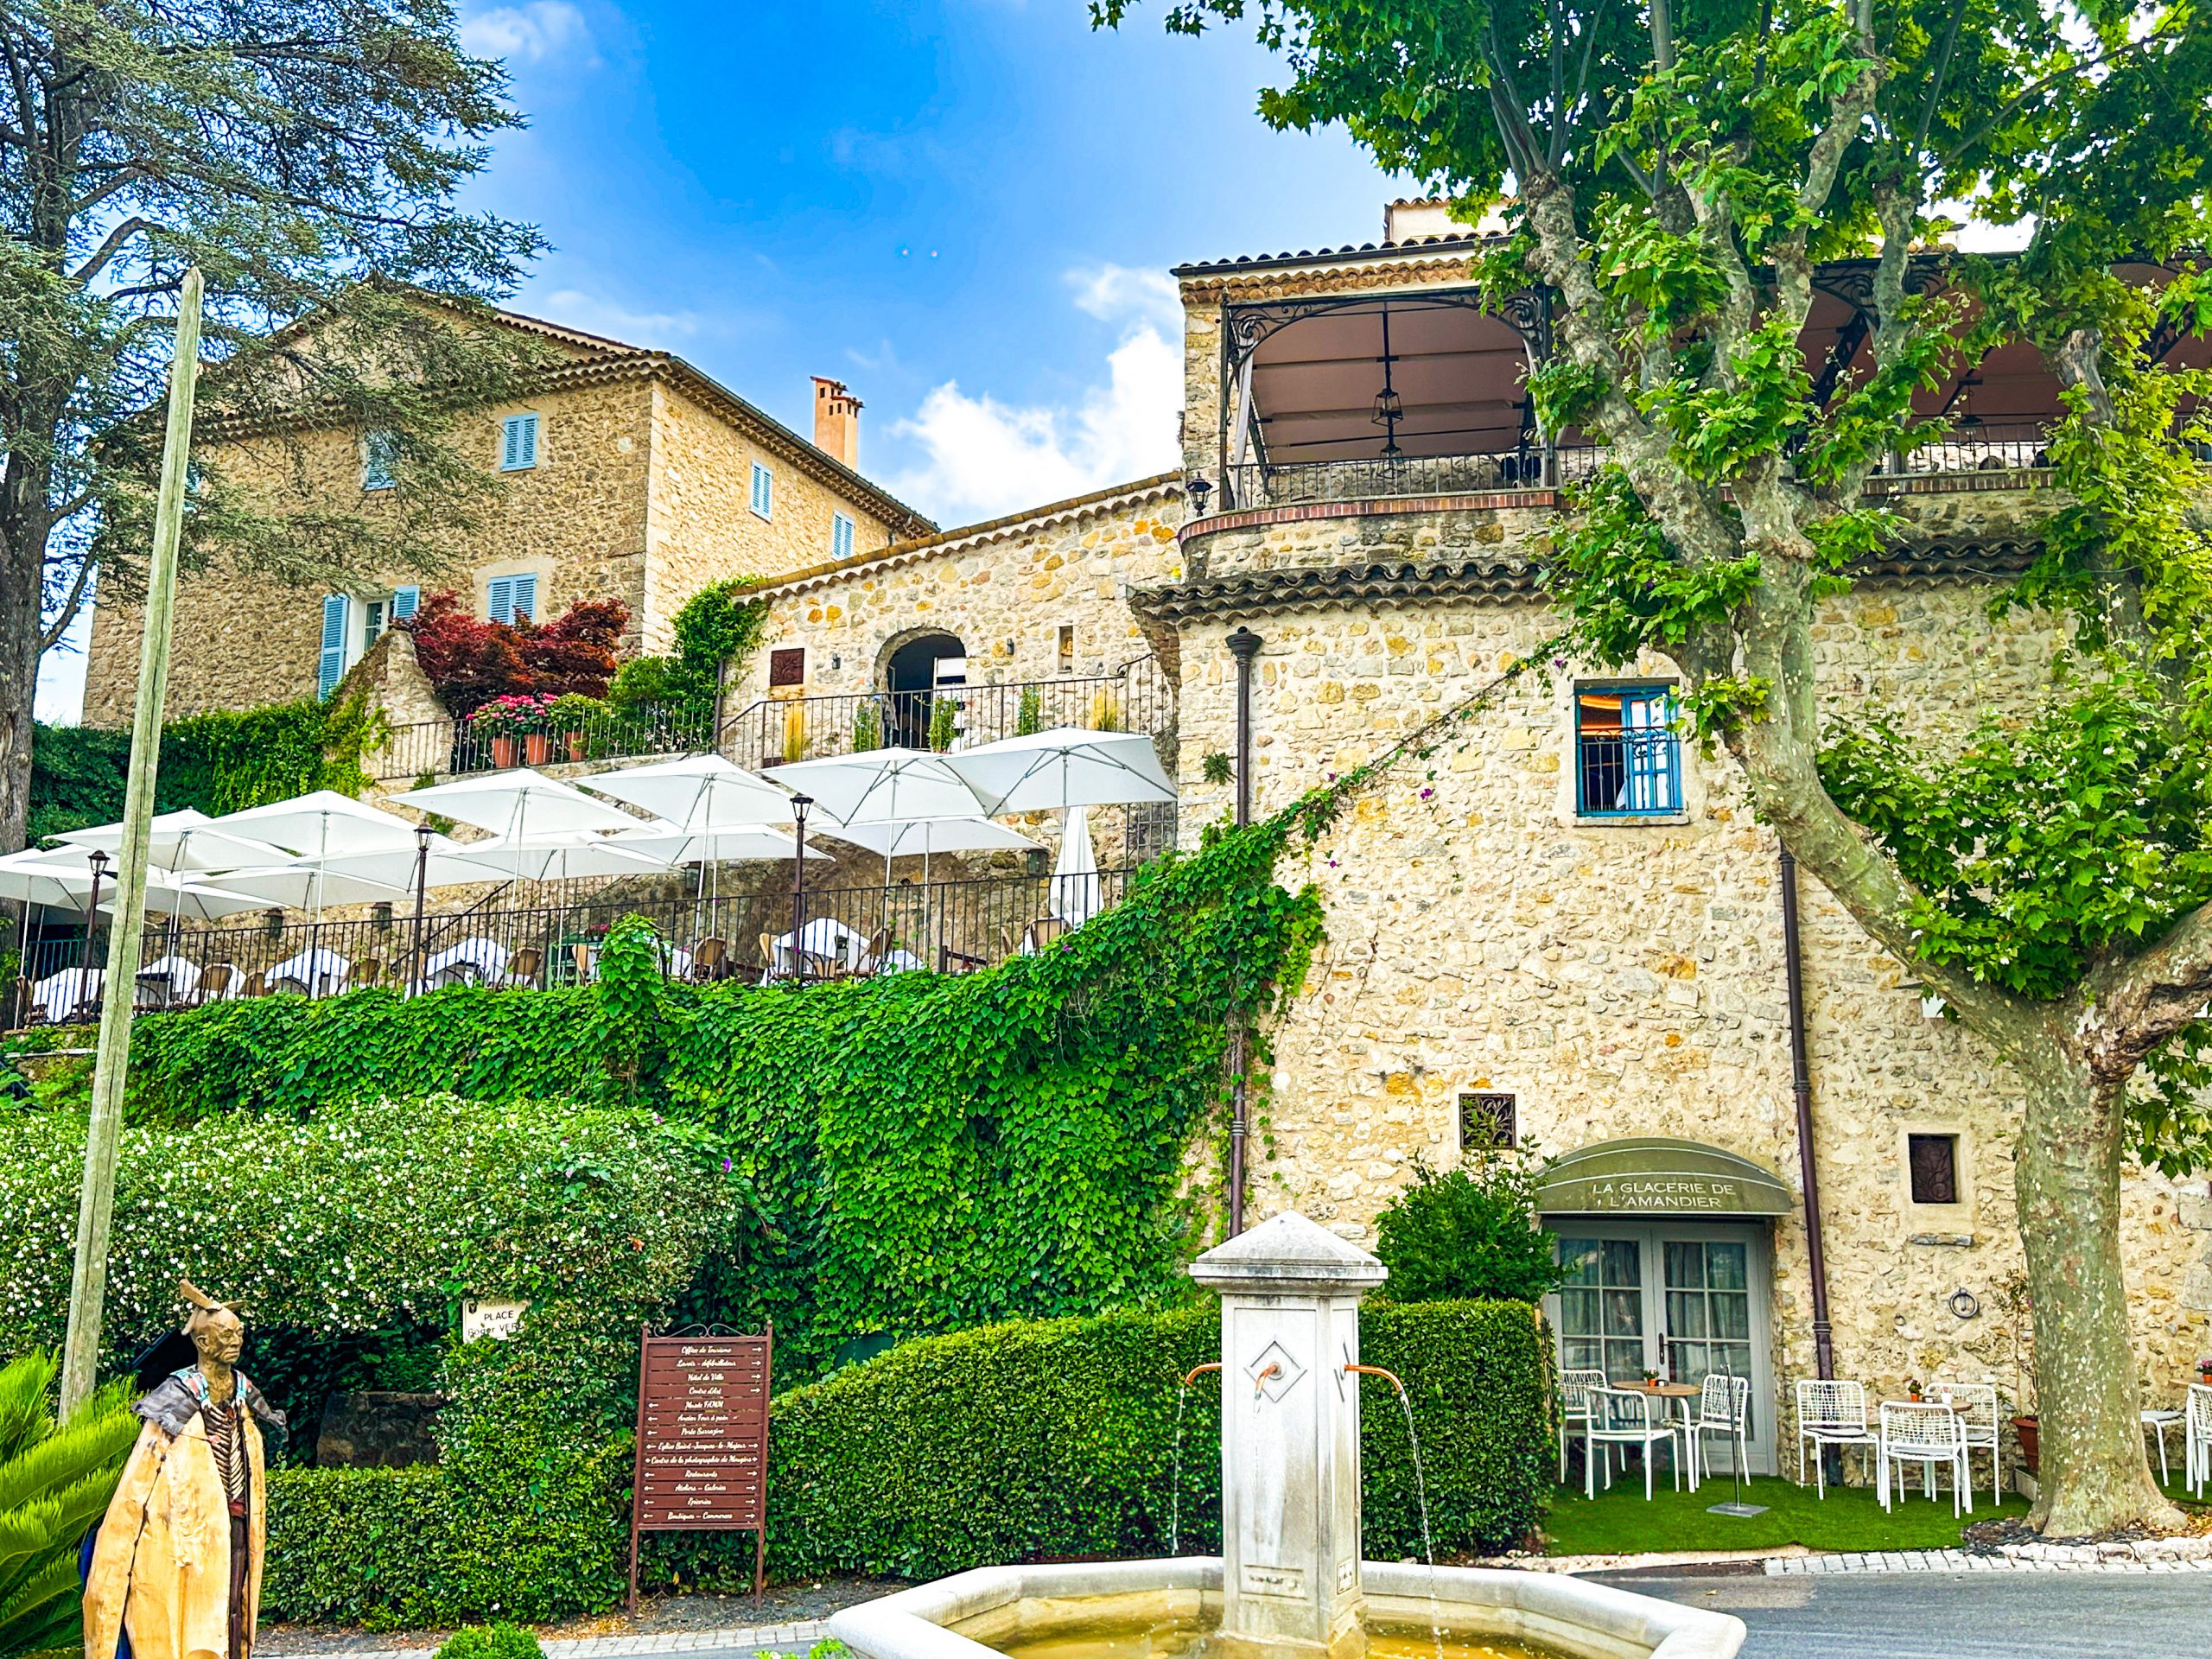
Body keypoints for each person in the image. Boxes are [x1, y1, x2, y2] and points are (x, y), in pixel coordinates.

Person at [84, 1281, 286, 1659]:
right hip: (181, 1543)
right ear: (203, 1342)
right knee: (183, 1626)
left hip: (237, 1528)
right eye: (226, 1334)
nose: (236, 1341)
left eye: (239, 1332)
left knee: (232, 1616)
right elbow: (134, 1490)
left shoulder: (244, 1395)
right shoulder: (175, 1400)